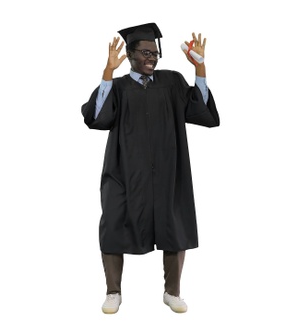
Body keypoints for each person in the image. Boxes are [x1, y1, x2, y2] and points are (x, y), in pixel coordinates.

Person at [80, 22, 220, 314]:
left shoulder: (171, 82)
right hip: (124, 172)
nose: (151, 58)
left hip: (168, 169)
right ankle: (113, 291)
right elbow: (97, 118)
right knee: (114, 221)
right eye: (145, 52)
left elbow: (200, 110)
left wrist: (200, 68)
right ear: (130, 54)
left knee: (173, 223)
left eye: (155, 53)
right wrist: (107, 72)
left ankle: (172, 292)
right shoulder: (117, 87)